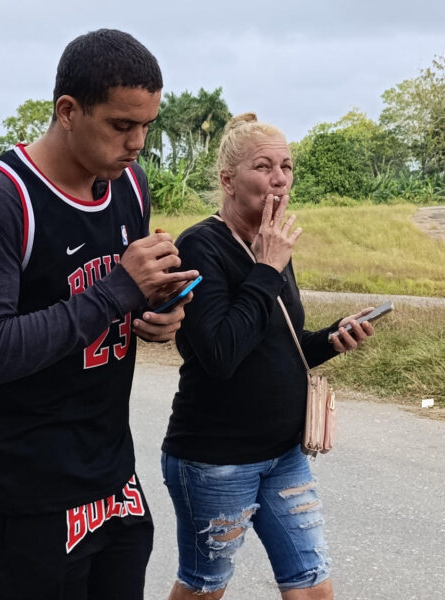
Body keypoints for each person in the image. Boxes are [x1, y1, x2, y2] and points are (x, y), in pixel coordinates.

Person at [0, 29, 198, 600]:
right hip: (30, 483)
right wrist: (116, 291)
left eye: (147, 125)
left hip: (112, 469)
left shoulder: (129, 186)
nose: (137, 143)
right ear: (67, 110)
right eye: (120, 125)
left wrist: (159, 311)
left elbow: (123, 298)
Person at [160, 113, 376, 599]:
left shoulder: (273, 244)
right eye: (263, 166)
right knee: (203, 588)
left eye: (287, 166)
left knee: (311, 588)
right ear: (228, 180)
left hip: (284, 454)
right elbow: (220, 354)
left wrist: (331, 338)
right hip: (215, 459)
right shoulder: (200, 246)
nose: (279, 178)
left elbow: (278, 341)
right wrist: (266, 267)